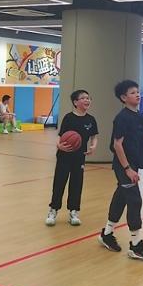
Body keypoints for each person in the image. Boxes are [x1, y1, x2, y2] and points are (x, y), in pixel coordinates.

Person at [98, 80, 143, 261]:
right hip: (123, 166)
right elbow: (117, 145)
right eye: (132, 92)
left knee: (121, 197)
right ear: (123, 97)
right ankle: (136, 245)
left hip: (133, 165)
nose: (137, 94)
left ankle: (107, 233)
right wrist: (127, 169)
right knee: (135, 200)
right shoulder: (122, 118)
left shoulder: (142, 117)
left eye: (138, 91)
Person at [46, 90, 98, 226]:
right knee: (59, 183)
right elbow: (60, 135)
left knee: (76, 184)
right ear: (75, 102)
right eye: (83, 98)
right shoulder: (68, 118)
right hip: (64, 156)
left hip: (79, 157)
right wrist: (59, 145)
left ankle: (74, 211)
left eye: (88, 98)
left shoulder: (91, 119)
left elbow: (94, 136)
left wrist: (93, 146)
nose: (87, 100)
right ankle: (53, 210)